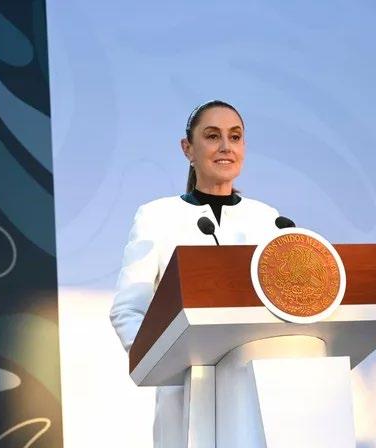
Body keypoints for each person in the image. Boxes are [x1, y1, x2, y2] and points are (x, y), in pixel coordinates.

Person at [109, 100, 281, 447]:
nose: (226, 146)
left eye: (235, 137)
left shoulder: (269, 220)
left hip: (255, 391)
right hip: (185, 392)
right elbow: (127, 309)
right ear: (187, 148)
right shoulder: (157, 216)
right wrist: (164, 362)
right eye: (213, 136)